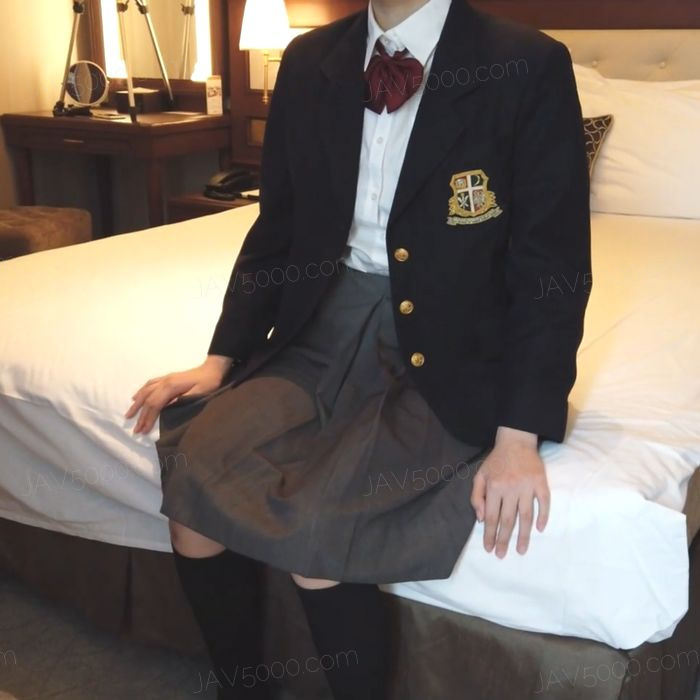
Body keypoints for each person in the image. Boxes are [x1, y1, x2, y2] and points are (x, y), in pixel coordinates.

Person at [125, 0, 591, 698]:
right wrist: (222, 357)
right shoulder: (310, 60)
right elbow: (278, 224)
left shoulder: (528, 64)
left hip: (453, 347)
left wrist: (519, 434)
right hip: (321, 327)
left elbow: (551, 267)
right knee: (195, 474)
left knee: (320, 528)